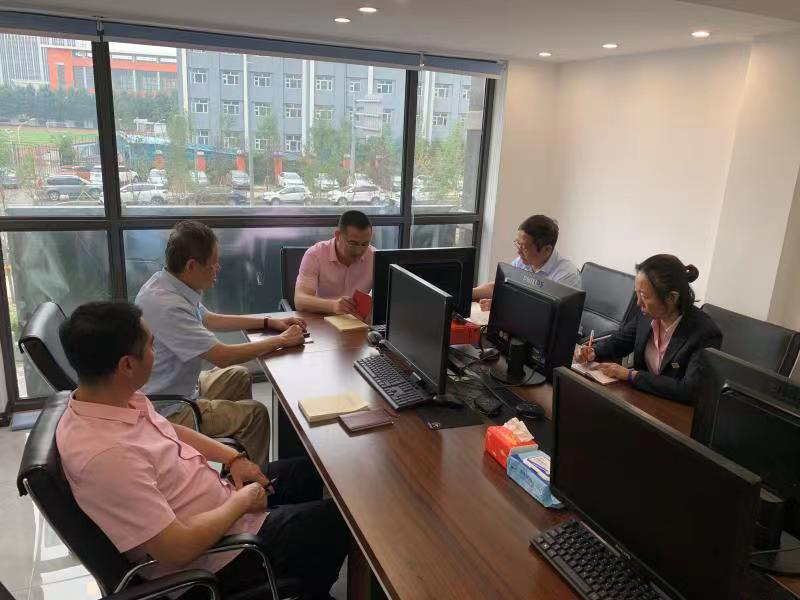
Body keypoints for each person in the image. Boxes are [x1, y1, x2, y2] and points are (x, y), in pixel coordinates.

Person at [57, 301, 347, 599]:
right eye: (152, 346)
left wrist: (233, 458)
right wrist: (242, 502)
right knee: (338, 521)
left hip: (218, 504)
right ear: (127, 365)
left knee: (311, 472)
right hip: (217, 559)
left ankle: (305, 571)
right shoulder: (107, 457)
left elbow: (169, 430)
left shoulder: (112, 397)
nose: (156, 354)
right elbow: (177, 548)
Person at [136, 220, 306, 465]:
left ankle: (234, 460)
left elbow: (210, 319)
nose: (218, 268)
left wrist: (269, 322)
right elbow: (222, 356)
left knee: (239, 375)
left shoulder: (167, 283)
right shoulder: (167, 305)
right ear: (192, 266)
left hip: (181, 387)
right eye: (214, 262)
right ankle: (253, 482)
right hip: (169, 408)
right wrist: (281, 340)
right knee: (256, 414)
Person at [574, 254, 722, 403]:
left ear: (672, 298)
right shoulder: (646, 315)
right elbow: (619, 342)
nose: (638, 303)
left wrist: (631, 375)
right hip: (641, 399)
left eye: (644, 296)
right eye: (637, 293)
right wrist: (593, 351)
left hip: (675, 410)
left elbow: (689, 390)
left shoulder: (705, 333)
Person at [472, 215, 581, 311]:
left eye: (524, 248)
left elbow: (544, 312)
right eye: (518, 244)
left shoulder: (566, 276)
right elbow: (499, 287)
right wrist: (469, 293)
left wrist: (504, 305)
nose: (519, 252)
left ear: (546, 249)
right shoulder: (522, 261)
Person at [294, 210, 374, 315]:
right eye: (352, 243)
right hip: (322, 318)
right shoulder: (315, 254)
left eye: (364, 244)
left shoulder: (374, 257)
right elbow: (300, 300)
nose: (358, 251)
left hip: (358, 320)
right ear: (338, 235)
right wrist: (332, 306)